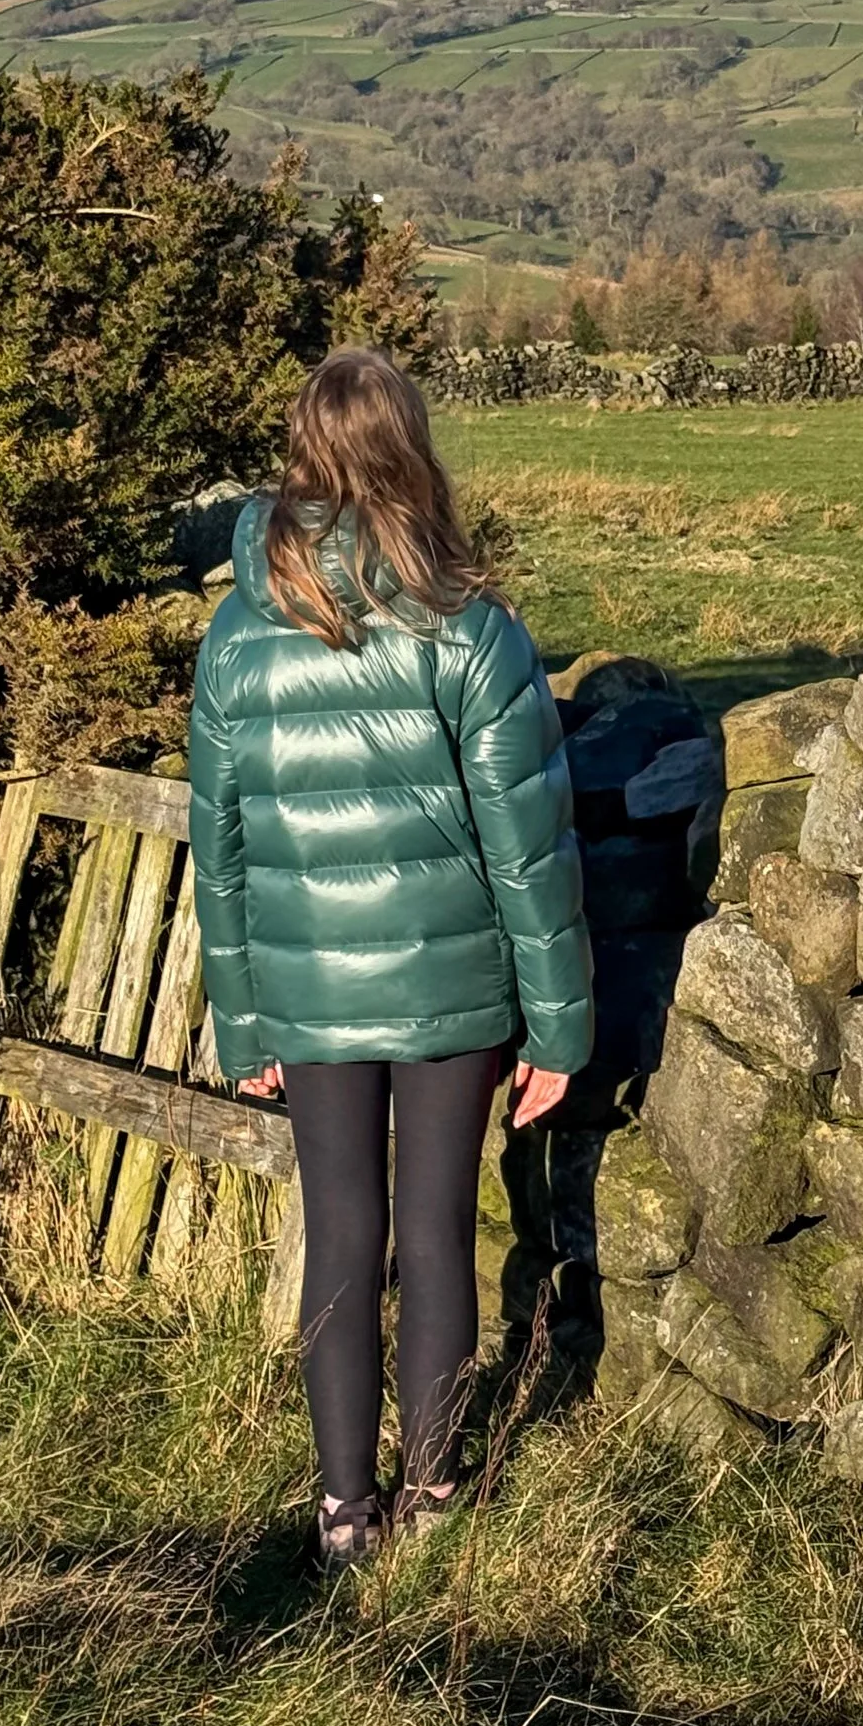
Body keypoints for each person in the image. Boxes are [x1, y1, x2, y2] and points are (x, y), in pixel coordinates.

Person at [188, 348, 593, 1570]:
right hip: (450, 990)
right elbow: (531, 849)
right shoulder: (472, 627)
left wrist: (244, 1020)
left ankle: (339, 1510)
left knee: (339, 1232)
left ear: (302, 455)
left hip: (307, 994)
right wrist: (561, 1032)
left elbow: (223, 848)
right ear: (411, 448)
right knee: (432, 1233)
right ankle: (430, 1491)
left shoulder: (235, 632)